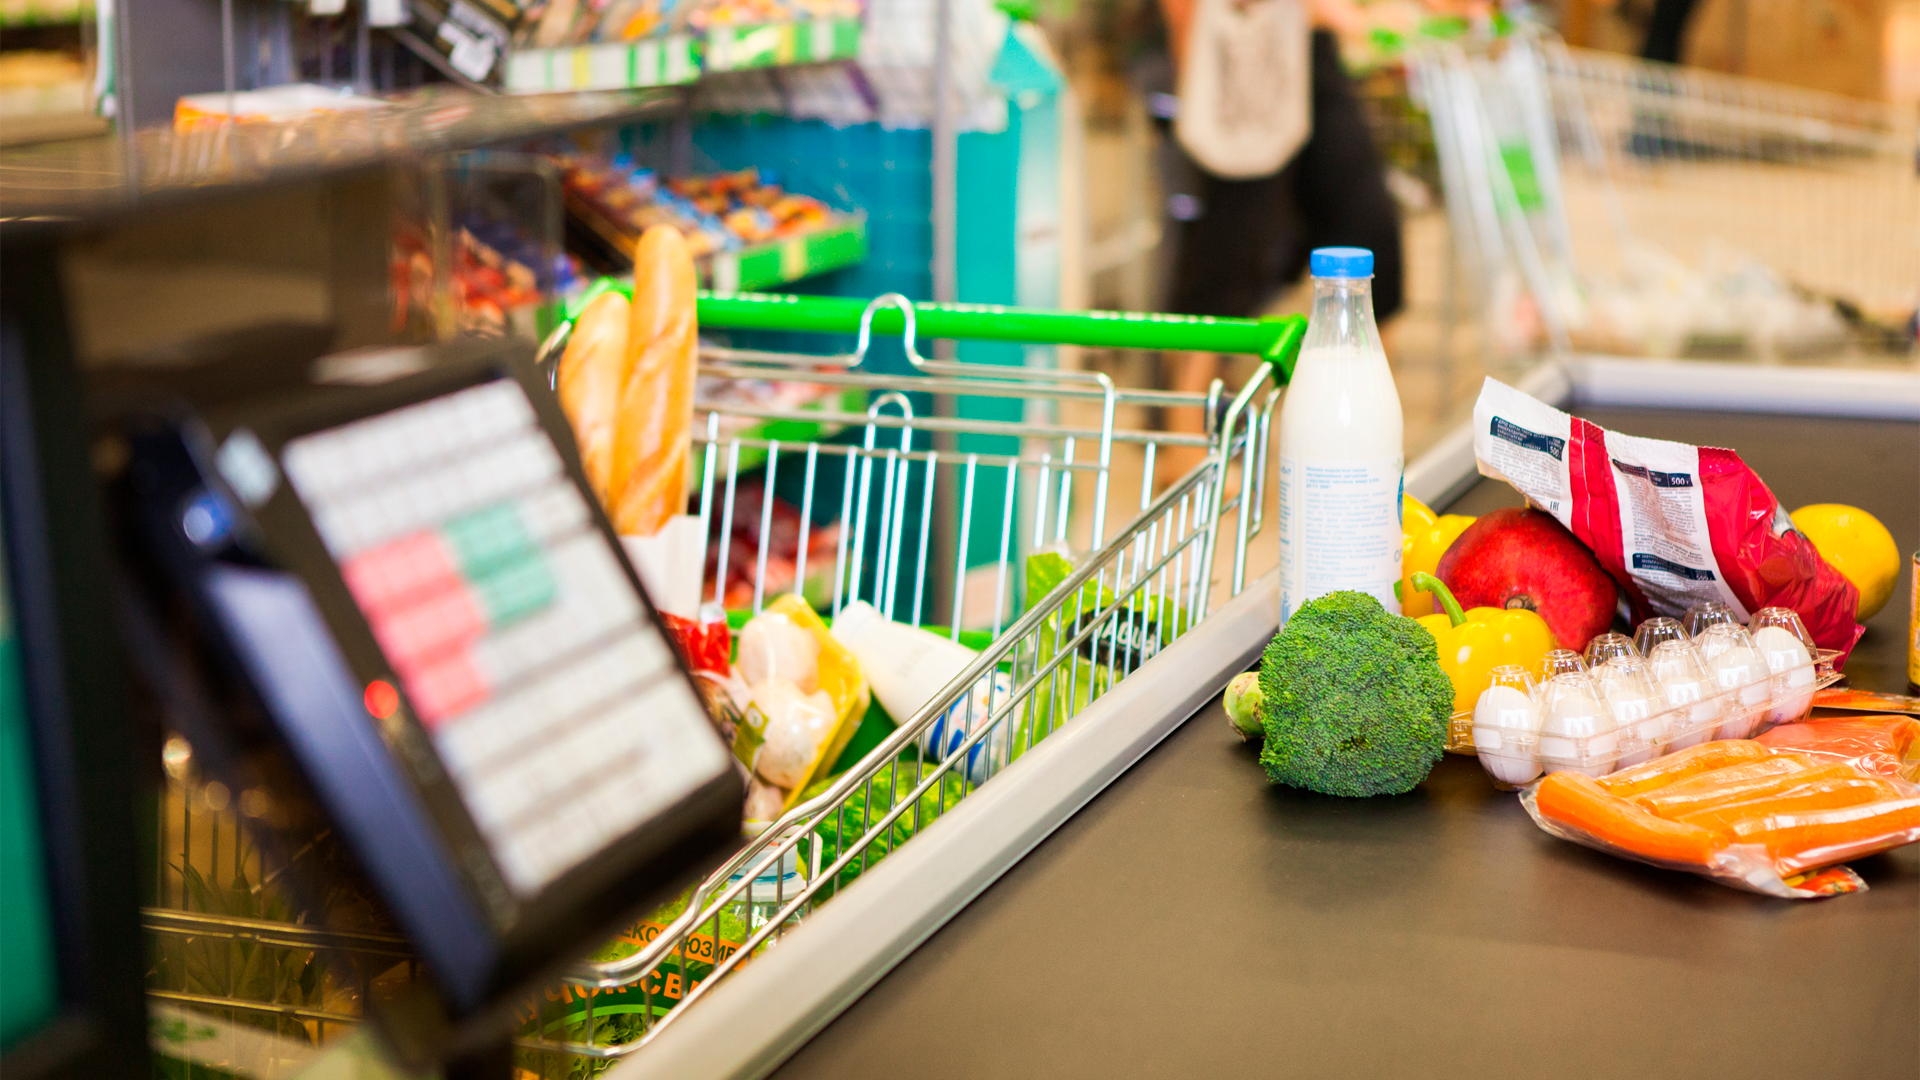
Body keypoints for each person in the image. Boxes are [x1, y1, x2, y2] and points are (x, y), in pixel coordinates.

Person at [1142, 0, 1404, 484]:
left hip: (1309, 53)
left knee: (1371, 234)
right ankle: (1183, 442)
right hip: (1243, 54)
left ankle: (1360, 423)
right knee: (1229, 254)